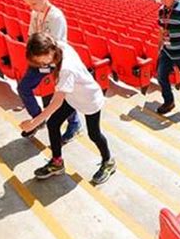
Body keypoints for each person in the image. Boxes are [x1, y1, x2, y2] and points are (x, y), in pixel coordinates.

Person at [19, 33, 116, 185]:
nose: (40, 65)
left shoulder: (66, 69)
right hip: (72, 97)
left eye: (40, 61)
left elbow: (56, 102)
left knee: (94, 134)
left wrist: (33, 123)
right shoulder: (58, 46)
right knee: (53, 124)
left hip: (89, 99)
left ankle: (109, 161)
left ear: (49, 52)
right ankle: (57, 162)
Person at [17, 0, 81, 143]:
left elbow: (54, 47)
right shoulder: (35, 12)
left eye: (34, 3)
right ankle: (38, 119)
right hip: (39, 60)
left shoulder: (56, 16)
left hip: (55, 62)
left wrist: (43, 62)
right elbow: (32, 35)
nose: (32, 7)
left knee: (63, 94)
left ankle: (74, 124)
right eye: (29, 4)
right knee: (24, 87)